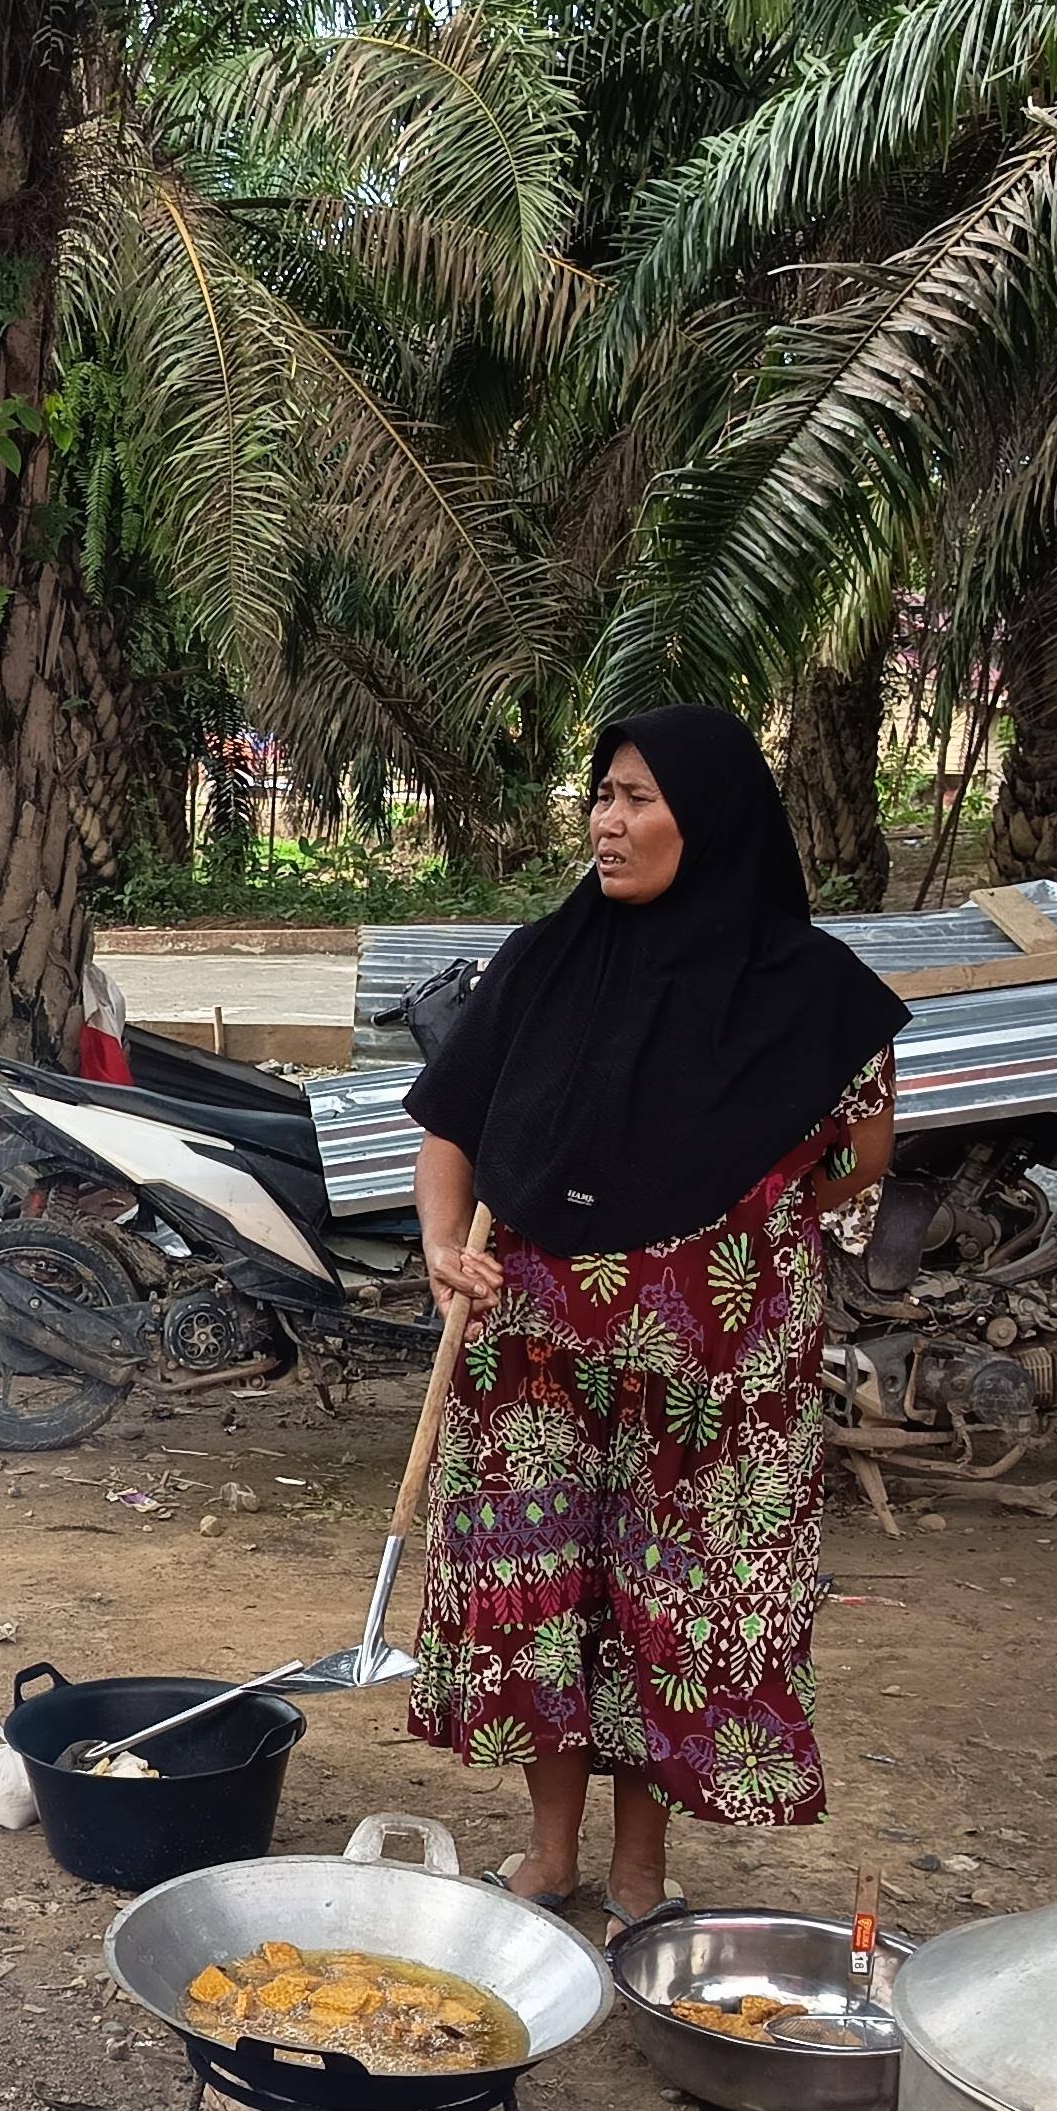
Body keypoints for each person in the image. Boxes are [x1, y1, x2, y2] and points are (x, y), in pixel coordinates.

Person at [400, 705, 910, 1931]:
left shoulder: (809, 989)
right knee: (543, 1600)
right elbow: (451, 1125)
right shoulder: (544, 957)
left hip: (721, 1372)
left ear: (713, 815)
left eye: (637, 798)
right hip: (531, 1348)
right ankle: (549, 1852)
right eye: (602, 796)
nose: (607, 822)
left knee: (673, 1607)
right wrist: (436, 1246)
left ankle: (639, 1870)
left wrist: (736, 1221)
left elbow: (861, 1150)